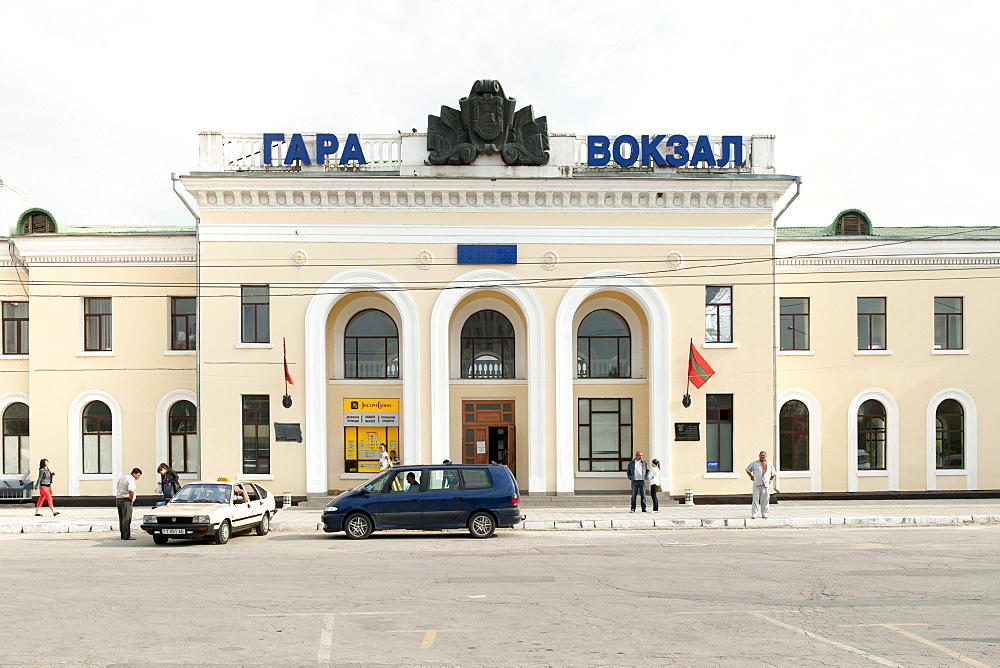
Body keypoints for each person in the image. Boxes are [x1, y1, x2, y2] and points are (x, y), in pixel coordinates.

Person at [745, 450, 775, 519]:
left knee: (765, 499)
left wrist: (770, 480)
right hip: (757, 484)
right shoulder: (755, 463)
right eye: (761, 455)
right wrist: (751, 476)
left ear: (766, 456)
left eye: (763, 455)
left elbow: (773, 473)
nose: (762, 456)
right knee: (755, 499)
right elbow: (747, 469)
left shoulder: (769, 464)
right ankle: (754, 514)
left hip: (766, 484)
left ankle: (765, 513)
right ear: (759, 456)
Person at [115, 468, 142, 540]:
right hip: (126, 499)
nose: (138, 477)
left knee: (122, 518)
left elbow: (117, 486)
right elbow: (131, 490)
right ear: (134, 474)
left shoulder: (122, 477)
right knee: (127, 518)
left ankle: (123, 534)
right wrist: (131, 497)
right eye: (138, 475)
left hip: (119, 498)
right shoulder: (131, 479)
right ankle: (127, 535)